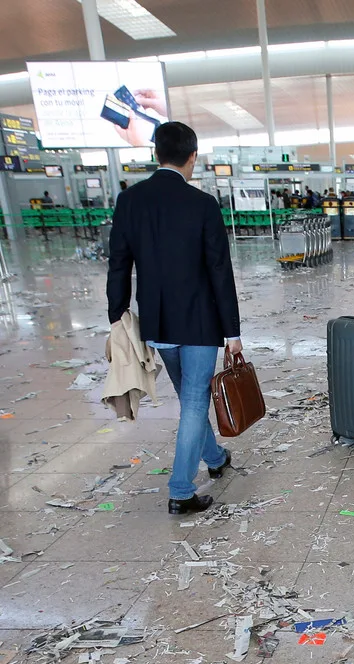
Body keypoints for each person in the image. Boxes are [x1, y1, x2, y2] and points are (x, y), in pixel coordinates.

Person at [106, 121, 242, 516]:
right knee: (196, 400)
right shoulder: (202, 205)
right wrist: (232, 331)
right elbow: (220, 271)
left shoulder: (130, 201)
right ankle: (181, 489)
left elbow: (119, 264)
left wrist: (118, 313)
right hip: (200, 322)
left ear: (155, 154)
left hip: (158, 323)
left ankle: (215, 457)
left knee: (190, 398)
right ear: (193, 156)